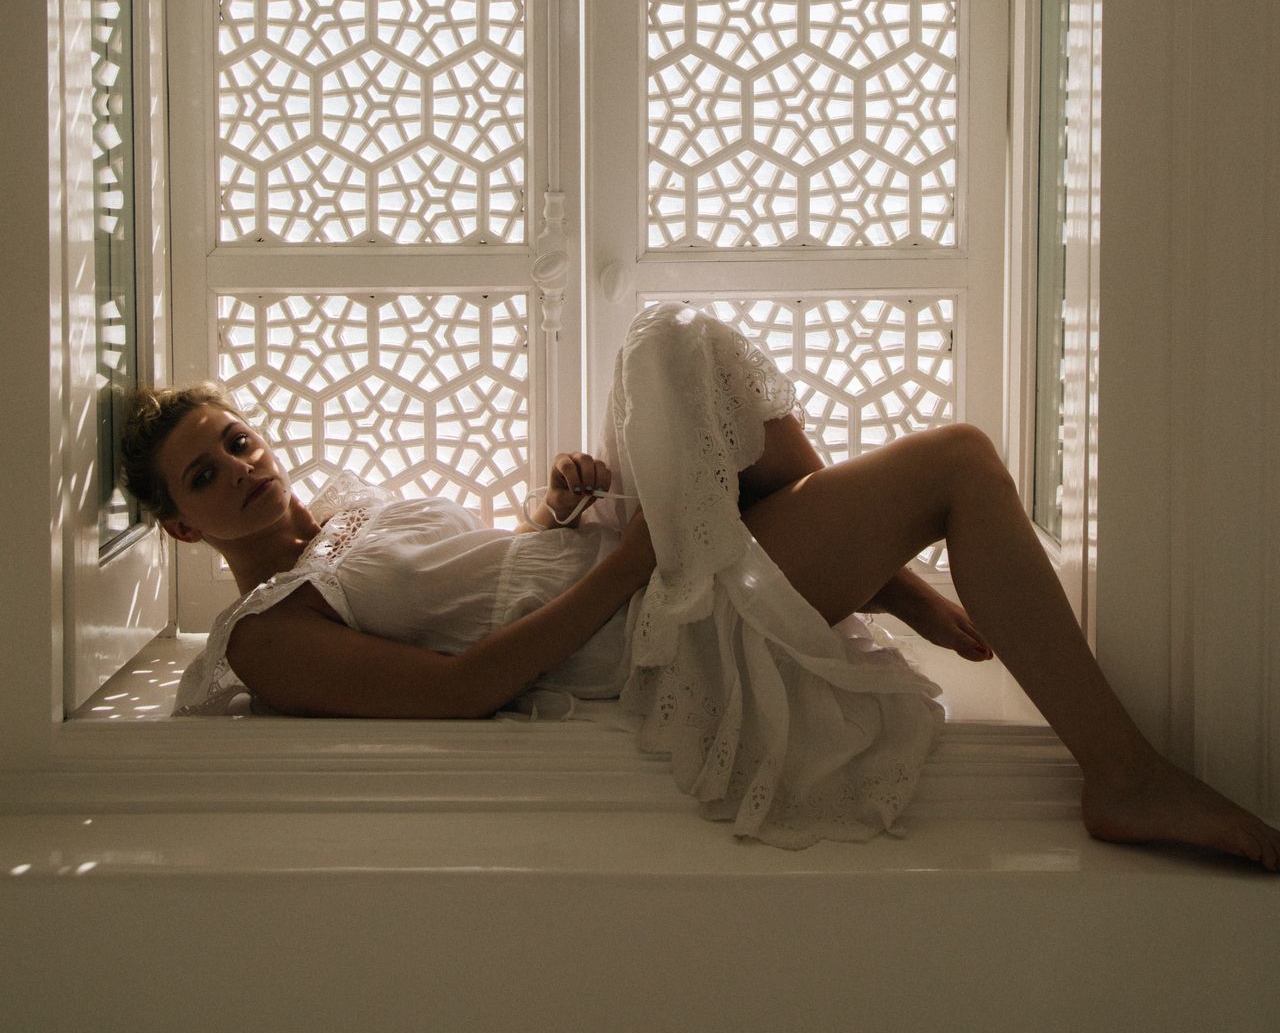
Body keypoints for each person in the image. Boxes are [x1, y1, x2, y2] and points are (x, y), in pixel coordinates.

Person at [122, 303, 1279, 866]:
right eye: (204, 475)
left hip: (616, 567)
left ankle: (873, 573)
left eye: (238, 439)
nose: (241, 468)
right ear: (178, 525)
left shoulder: (357, 515)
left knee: (674, 339)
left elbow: (487, 581)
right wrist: (630, 560)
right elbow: (461, 688)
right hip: (631, 634)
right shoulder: (265, 635)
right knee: (958, 464)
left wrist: (556, 513)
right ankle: (1121, 774)